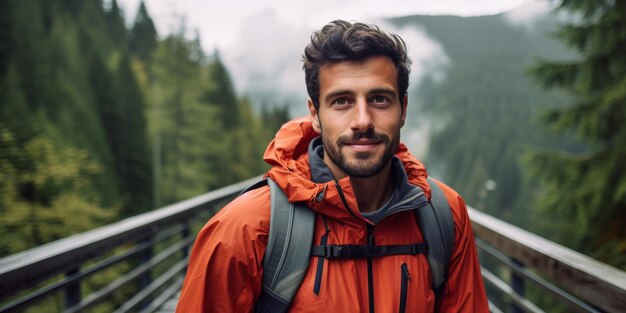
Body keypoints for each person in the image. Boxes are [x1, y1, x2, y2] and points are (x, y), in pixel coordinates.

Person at [176, 20, 489, 312]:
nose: (363, 121)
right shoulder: (244, 228)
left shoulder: (444, 215)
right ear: (315, 113)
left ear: (403, 109)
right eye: (342, 101)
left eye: (380, 99)